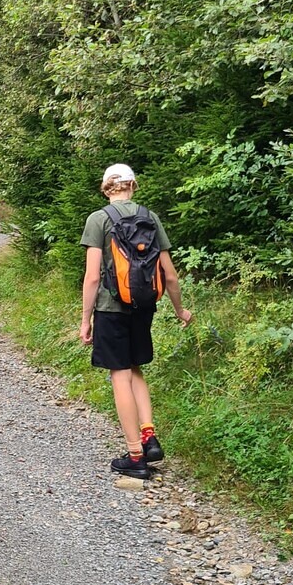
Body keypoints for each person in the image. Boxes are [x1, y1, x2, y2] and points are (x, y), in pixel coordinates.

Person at [79, 163, 192, 481]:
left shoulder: (99, 219)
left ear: (106, 188)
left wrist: (85, 320)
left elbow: (92, 277)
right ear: (133, 185)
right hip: (143, 306)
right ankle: (148, 437)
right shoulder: (150, 217)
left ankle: (135, 456)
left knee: (120, 374)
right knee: (135, 369)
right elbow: (170, 274)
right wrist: (180, 310)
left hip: (111, 308)